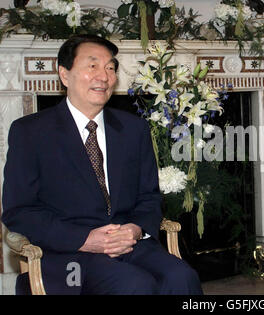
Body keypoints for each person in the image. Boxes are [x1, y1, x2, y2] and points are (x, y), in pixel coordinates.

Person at [1, 34, 203, 295]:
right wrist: (85, 239)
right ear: (64, 75)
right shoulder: (31, 132)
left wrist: (134, 228)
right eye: (92, 66)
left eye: (110, 68)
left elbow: (149, 196)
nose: (104, 76)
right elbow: (19, 210)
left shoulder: (133, 129)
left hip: (129, 244)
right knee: (134, 286)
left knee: (182, 277)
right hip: (68, 254)